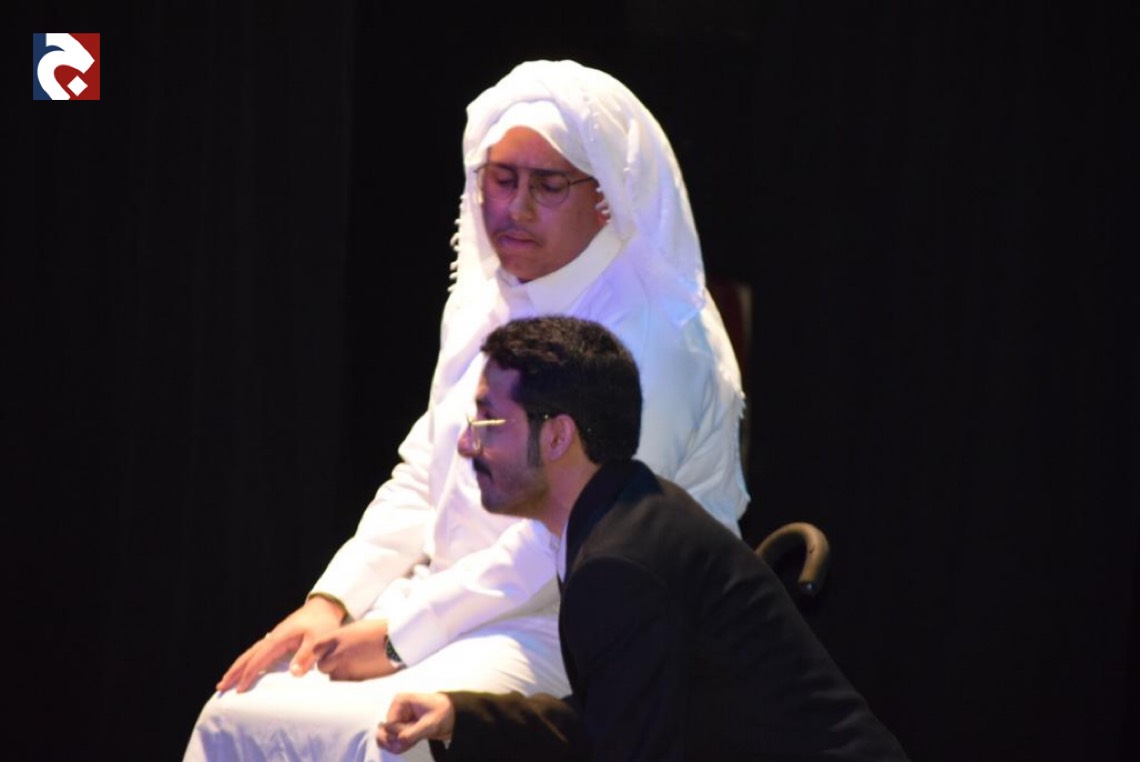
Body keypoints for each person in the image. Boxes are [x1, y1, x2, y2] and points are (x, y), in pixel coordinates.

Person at [184, 59, 749, 760]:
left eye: (548, 186)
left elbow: (582, 530)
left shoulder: (655, 336)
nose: (515, 208)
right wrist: (333, 602)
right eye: (501, 179)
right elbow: (426, 470)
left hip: (582, 622)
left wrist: (401, 635)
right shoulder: (485, 301)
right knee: (239, 714)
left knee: (391, 734)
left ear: (606, 196)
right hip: (453, 604)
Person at [378, 316, 910, 761]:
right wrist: (461, 716)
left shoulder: (618, 564)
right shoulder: (624, 510)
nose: (467, 444)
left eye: (489, 421)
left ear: (558, 435)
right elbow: (610, 717)